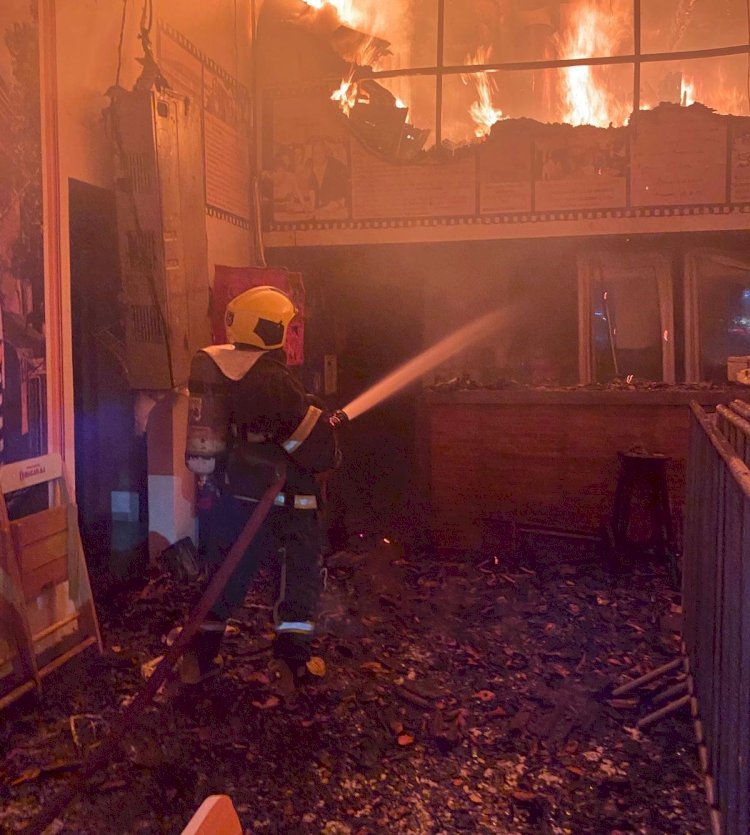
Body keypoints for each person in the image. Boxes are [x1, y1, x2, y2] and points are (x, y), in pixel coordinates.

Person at [183, 286, 342, 689]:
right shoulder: (273, 378)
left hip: (235, 496)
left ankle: (195, 661)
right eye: (288, 328)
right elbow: (313, 451)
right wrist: (325, 424)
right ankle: (292, 667)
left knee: (225, 576)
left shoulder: (223, 367)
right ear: (271, 329)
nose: (290, 337)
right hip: (286, 503)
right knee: (297, 582)